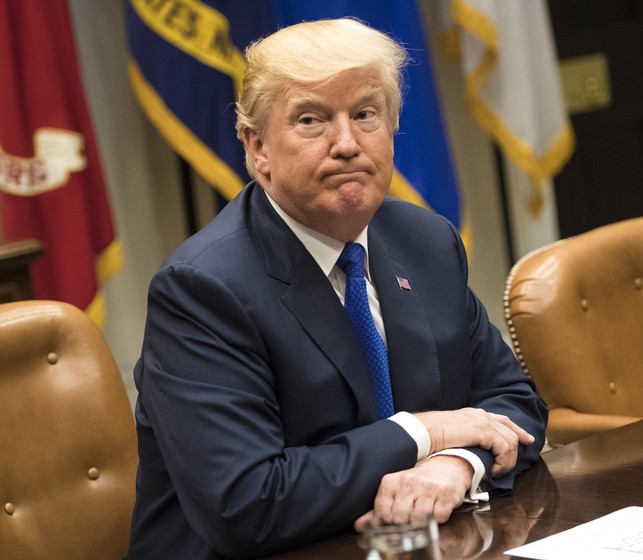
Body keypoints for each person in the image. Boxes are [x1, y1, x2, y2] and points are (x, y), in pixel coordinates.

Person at [125, 17, 548, 560]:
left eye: (366, 115)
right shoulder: (203, 289)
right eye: (310, 120)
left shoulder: (424, 241)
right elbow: (247, 504)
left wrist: (455, 463)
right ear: (258, 148)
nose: (347, 144)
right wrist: (422, 433)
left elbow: (515, 404)